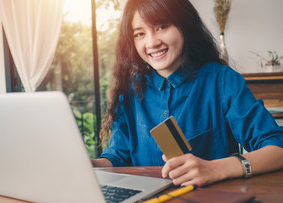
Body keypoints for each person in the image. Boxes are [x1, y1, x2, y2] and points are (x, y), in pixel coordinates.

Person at [91, 0, 283, 186]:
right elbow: (118, 157)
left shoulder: (221, 81)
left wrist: (216, 169)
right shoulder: (131, 92)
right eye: (140, 34)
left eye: (161, 27)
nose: (152, 42)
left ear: (185, 25)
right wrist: (90, 165)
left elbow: (277, 148)